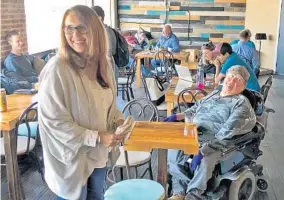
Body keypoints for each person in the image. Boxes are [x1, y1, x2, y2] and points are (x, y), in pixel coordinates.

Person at [38, 5, 128, 200]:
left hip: (98, 157)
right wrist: (96, 137)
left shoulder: (103, 64)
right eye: (69, 28)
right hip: (71, 161)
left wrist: (118, 121)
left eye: (82, 27)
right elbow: (53, 122)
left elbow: (109, 106)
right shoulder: (57, 69)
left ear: (95, 29)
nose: (75, 34)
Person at [165, 66, 256, 200]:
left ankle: (194, 195)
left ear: (243, 86)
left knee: (206, 160)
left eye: (237, 80)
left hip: (219, 142)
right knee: (174, 149)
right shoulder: (215, 93)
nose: (231, 82)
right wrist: (177, 116)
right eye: (230, 77)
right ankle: (179, 192)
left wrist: (202, 151)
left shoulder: (241, 104)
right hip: (195, 133)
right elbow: (194, 109)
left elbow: (225, 134)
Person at [91, 6, 119, 83]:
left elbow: (108, 53)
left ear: (99, 18)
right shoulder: (97, 32)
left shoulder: (107, 32)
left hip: (108, 71)